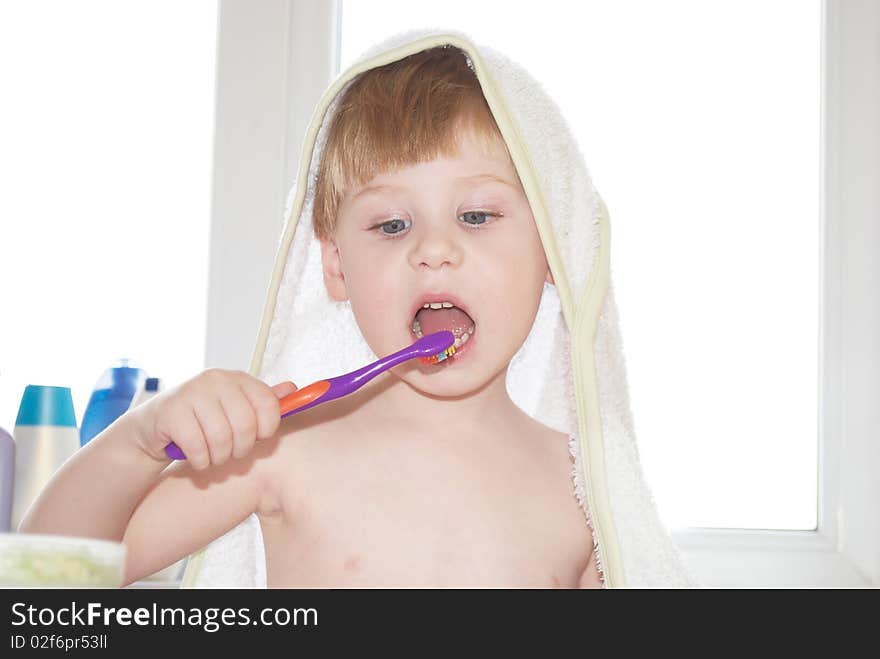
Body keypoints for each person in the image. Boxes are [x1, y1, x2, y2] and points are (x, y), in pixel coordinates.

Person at [21, 31, 696, 589]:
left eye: (477, 214)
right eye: (393, 225)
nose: (435, 249)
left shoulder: (581, 490)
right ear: (336, 264)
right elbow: (46, 577)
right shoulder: (284, 448)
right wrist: (139, 440)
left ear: (554, 248)